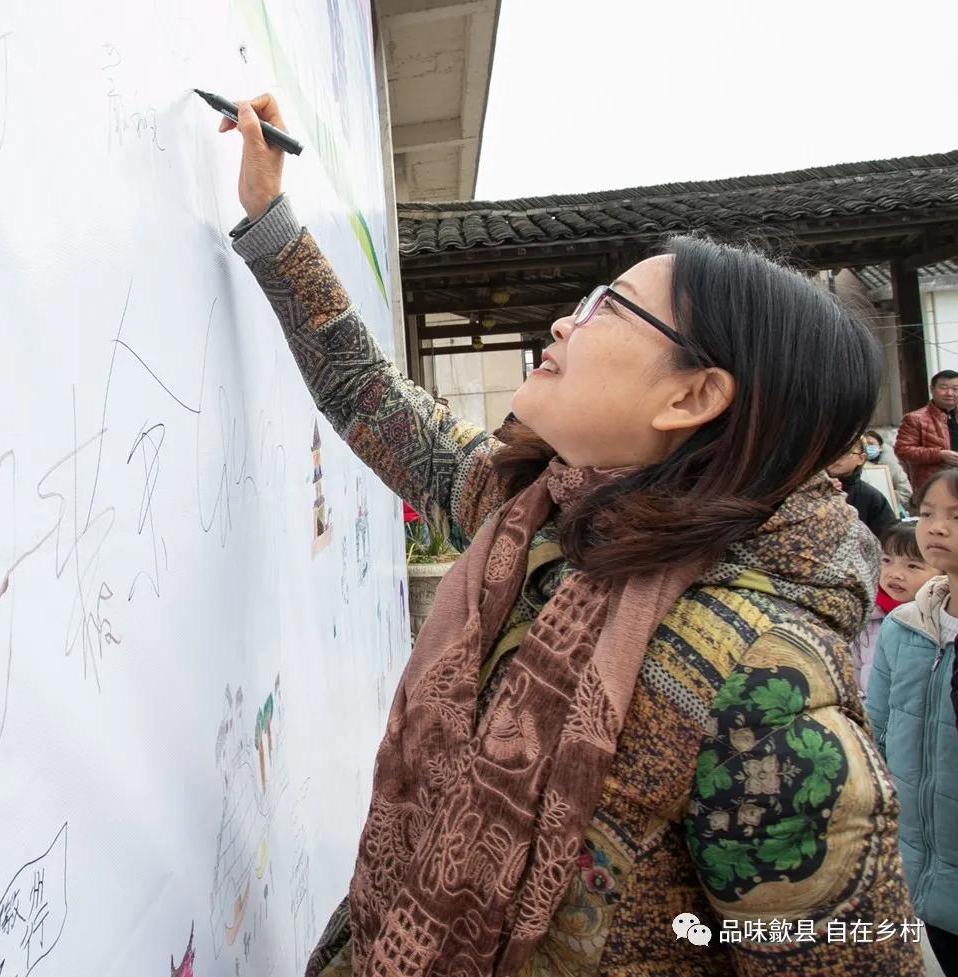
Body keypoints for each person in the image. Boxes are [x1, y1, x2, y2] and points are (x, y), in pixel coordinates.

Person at [222, 93, 924, 975]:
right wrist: (268, 213)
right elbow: (367, 392)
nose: (563, 322)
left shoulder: (764, 686)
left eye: (606, 308)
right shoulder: (531, 513)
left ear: (692, 396)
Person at [867, 470, 958, 976]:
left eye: (955, 516)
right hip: (913, 865)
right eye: (927, 514)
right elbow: (875, 733)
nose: (936, 527)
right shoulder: (904, 626)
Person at [852, 522, 937, 694]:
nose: (894, 574)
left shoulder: (943, 620)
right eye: (886, 561)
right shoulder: (865, 615)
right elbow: (852, 674)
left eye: (912, 566)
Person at [895, 370, 958, 494]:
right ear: (932, 389)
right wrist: (939, 455)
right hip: (934, 484)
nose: (950, 393)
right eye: (943, 388)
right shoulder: (915, 418)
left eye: (955, 389)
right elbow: (902, 450)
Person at [827, 439, 898, 539]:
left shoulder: (871, 496)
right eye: (831, 451)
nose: (837, 458)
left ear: (861, 458)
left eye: (846, 453)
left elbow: (887, 537)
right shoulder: (811, 489)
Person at [864, 428, 913, 511]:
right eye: (864, 444)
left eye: (871, 444)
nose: (867, 447)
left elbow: (906, 492)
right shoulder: (854, 468)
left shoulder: (893, 467)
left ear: (880, 447)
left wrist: (888, 495)